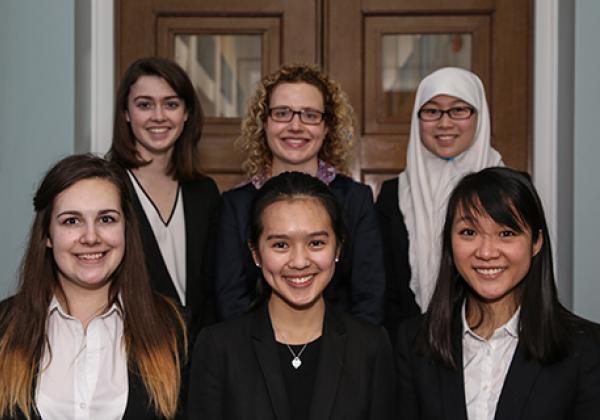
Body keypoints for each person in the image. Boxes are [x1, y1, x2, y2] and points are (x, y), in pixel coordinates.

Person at [395, 167, 600, 420]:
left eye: (506, 233)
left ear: (536, 242)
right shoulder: (413, 342)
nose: (487, 252)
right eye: (469, 232)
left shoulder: (586, 348)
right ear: (449, 241)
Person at [189, 171, 395, 419]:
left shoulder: (371, 345)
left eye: (316, 243)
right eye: (280, 245)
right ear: (255, 253)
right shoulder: (217, 347)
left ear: (338, 248)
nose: (299, 262)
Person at [0, 154, 186, 419]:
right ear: (47, 236)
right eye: (71, 221)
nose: (90, 237)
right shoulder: (4, 329)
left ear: (126, 230)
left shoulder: (174, 329)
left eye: (106, 219)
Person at [216, 64, 385, 324]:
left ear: (327, 126)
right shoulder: (235, 204)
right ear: (264, 123)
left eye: (310, 115)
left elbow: (369, 297)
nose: (295, 126)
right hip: (254, 354)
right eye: (282, 113)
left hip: (343, 353)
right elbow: (231, 300)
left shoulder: (356, 199)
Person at [376, 67, 503, 331]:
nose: (445, 123)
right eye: (432, 111)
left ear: (479, 115)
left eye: (459, 110)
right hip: (411, 347)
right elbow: (384, 288)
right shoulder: (394, 194)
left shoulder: (511, 189)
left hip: (497, 338)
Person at [108, 57, 220, 337]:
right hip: (132, 352)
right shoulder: (106, 187)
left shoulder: (204, 192)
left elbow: (212, 288)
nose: (159, 116)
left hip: (199, 357)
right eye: (145, 104)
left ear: (186, 113)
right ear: (126, 112)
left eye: (171, 104)